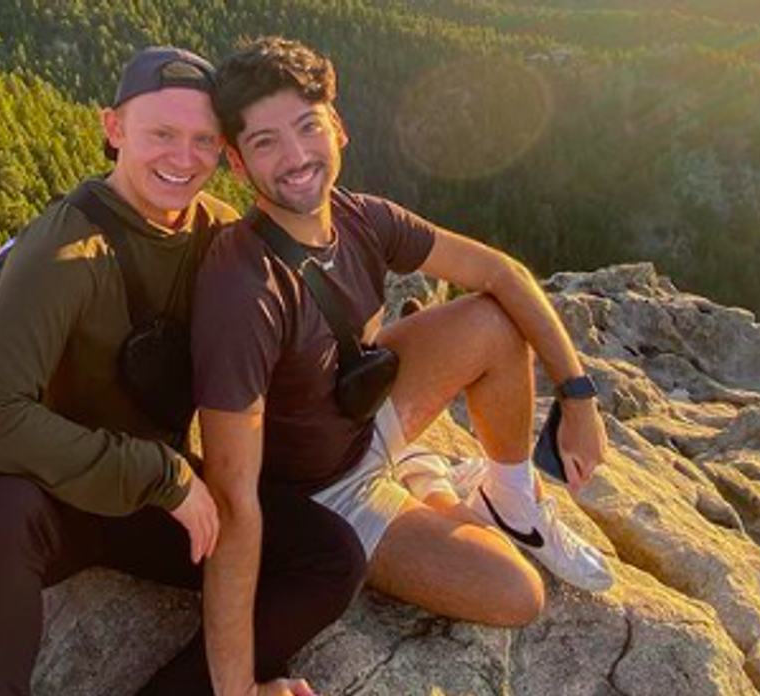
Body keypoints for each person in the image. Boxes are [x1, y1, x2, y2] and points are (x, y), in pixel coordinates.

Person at [0, 45, 366, 696]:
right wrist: (160, 474)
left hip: (151, 509)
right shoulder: (64, 250)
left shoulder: (220, 236)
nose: (183, 159)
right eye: (161, 134)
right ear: (114, 129)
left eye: (203, 141)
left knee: (328, 556)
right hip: (54, 501)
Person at [193, 36, 615, 696]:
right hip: (322, 491)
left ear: (338, 127)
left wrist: (578, 395)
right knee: (515, 595)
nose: (297, 156)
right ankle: (428, 483)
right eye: (265, 142)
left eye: (307, 127)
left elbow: (500, 272)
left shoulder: (361, 218)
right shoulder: (242, 290)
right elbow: (232, 496)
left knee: (491, 318)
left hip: (363, 414)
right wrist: (237, 684)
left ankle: (507, 496)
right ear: (238, 165)